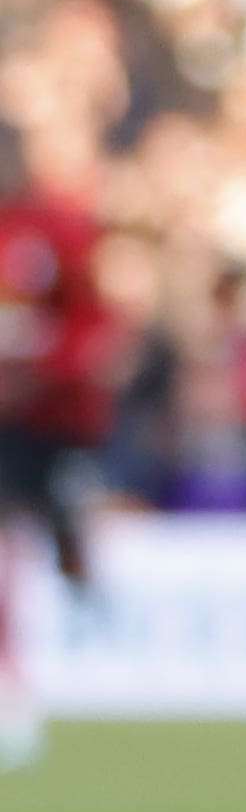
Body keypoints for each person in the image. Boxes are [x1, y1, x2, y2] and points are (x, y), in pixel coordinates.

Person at [0, 117, 114, 773]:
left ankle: (88, 642)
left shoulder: (56, 231)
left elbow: (93, 323)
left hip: (58, 418)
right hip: (7, 423)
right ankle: (16, 685)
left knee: (69, 542)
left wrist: (50, 361)